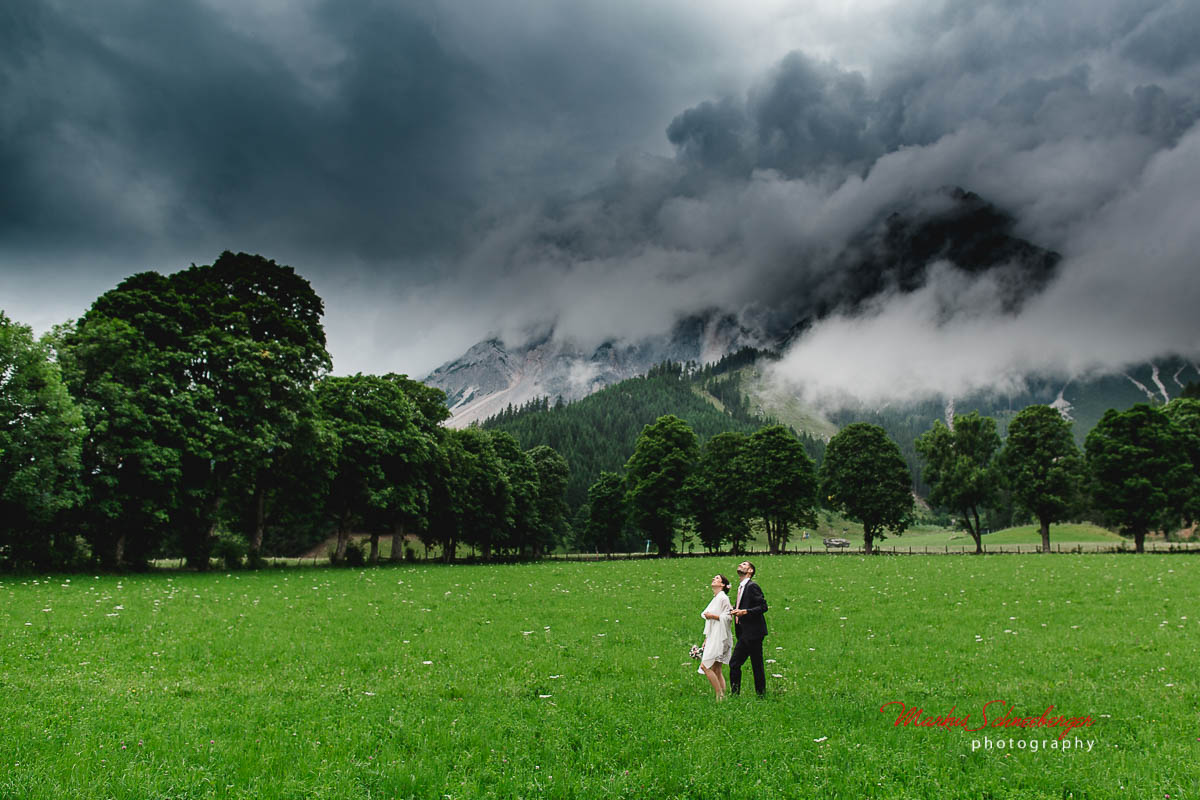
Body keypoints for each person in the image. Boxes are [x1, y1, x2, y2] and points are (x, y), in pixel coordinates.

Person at [729, 560, 768, 696]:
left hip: (753, 632)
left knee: (737, 663)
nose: (740, 565)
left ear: (750, 571)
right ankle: (759, 694)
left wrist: (744, 612)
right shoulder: (741, 587)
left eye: (745, 564)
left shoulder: (752, 586)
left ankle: (737, 695)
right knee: (753, 664)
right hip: (744, 631)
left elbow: (763, 607)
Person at [697, 574, 733, 699]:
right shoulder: (716, 598)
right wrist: (706, 638)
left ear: (722, 585)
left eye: (717, 578)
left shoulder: (723, 598)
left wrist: (712, 616)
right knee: (716, 669)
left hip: (720, 636)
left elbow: (728, 617)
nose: (713, 579)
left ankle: (719, 694)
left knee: (705, 666)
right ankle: (723, 695)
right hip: (713, 635)